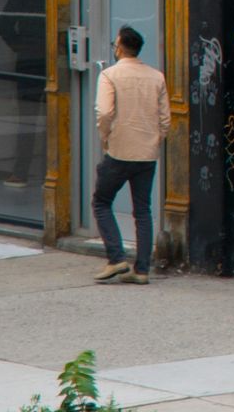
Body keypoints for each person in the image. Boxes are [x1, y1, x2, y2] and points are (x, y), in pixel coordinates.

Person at [89, 27, 167, 282]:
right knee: (143, 211)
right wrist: (155, 140)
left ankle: (116, 258)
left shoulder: (109, 75)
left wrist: (105, 137)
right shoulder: (156, 77)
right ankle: (142, 269)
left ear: (120, 47)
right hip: (146, 153)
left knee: (101, 202)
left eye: (115, 43)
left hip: (119, 150)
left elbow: (104, 112)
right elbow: (165, 118)